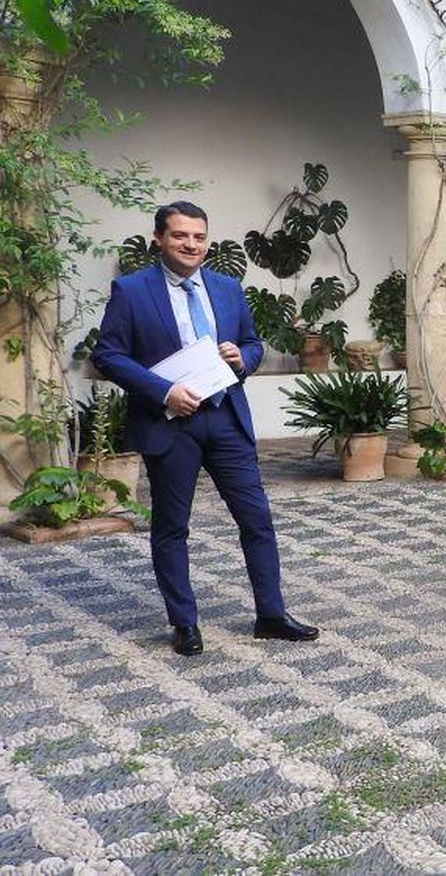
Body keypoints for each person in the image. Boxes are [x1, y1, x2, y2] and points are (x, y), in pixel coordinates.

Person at [91, 201, 319, 656]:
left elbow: (253, 344)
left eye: (198, 237)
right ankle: (184, 624)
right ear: (159, 238)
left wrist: (243, 359)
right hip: (171, 423)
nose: (190, 244)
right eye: (180, 236)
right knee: (172, 527)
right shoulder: (132, 291)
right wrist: (163, 391)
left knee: (257, 519)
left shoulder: (227, 287)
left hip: (226, 419)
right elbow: (109, 355)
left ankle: (270, 614)